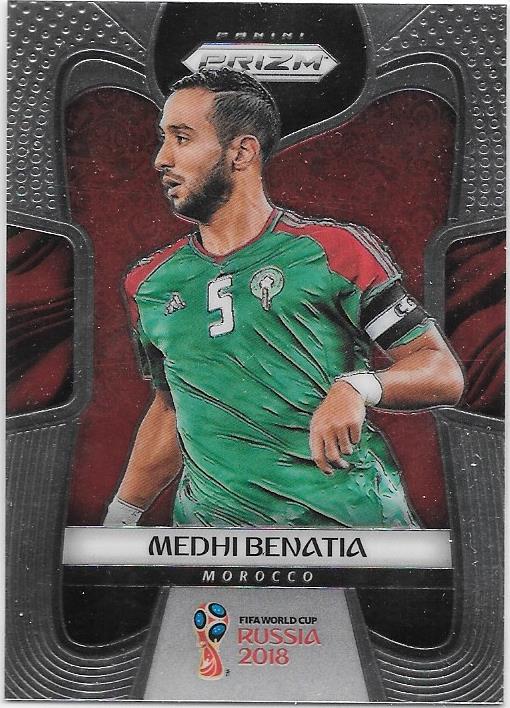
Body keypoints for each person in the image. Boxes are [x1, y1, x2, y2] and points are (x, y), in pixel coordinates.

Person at [104, 68, 464, 528]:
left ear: (241, 152)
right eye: (163, 139)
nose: (161, 159)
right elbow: (172, 406)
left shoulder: (333, 251)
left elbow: (441, 371)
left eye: (182, 138)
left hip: (351, 532)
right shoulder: (149, 283)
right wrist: (119, 519)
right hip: (212, 541)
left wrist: (358, 386)